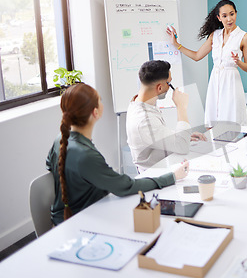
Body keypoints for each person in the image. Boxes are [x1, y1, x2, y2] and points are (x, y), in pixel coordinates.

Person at [46, 83, 189, 226]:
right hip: (82, 221)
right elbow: (125, 187)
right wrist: (172, 176)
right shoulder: (85, 155)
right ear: (96, 112)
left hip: (71, 215)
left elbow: (51, 165)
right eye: (100, 100)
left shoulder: (61, 139)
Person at [166, 0, 247, 126]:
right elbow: (197, 56)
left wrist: (238, 62)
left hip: (231, 83)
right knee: (213, 122)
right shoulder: (215, 36)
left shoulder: (244, 37)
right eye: (224, 16)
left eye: (232, 14)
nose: (229, 19)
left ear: (236, 13)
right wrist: (176, 45)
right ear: (219, 17)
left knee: (232, 123)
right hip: (215, 82)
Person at [126, 60, 205, 173]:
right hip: (155, 173)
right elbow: (182, 147)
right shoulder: (144, 120)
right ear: (159, 88)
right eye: (169, 83)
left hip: (163, 162)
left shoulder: (138, 103)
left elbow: (155, 135)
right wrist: (181, 107)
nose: (169, 88)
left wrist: (183, 136)